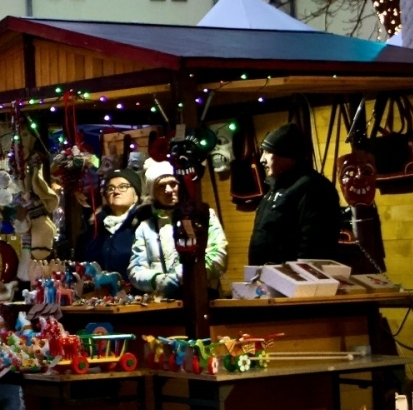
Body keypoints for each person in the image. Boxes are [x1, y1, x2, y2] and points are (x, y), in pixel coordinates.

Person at [247, 123, 342, 265]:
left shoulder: (314, 187)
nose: (262, 159)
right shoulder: (277, 187)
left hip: (290, 277)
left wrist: (301, 274)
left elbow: (314, 243)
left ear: (287, 155)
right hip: (267, 275)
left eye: (268, 152)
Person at [128, 170, 228, 299]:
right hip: (164, 302)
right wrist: (156, 280)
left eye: (173, 184)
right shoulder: (145, 227)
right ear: (153, 194)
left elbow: (218, 255)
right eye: (161, 186)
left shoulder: (204, 217)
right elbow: (136, 268)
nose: (168, 190)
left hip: (203, 297)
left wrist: (184, 273)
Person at [80, 169, 149, 277]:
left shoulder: (143, 224)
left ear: (136, 195)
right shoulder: (95, 227)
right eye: (111, 188)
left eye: (123, 187)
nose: (116, 191)